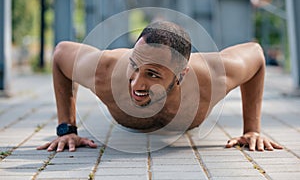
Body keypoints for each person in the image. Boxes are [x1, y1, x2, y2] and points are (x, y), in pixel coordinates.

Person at [37, 21, 283, 152]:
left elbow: (255, 54)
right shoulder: (105, 71)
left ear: (181, 75)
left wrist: (252, 129)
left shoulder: (213, 78)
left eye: (153, 74)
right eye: (134, 66)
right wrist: (66, 129)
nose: (136, 82)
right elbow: (61, 54)